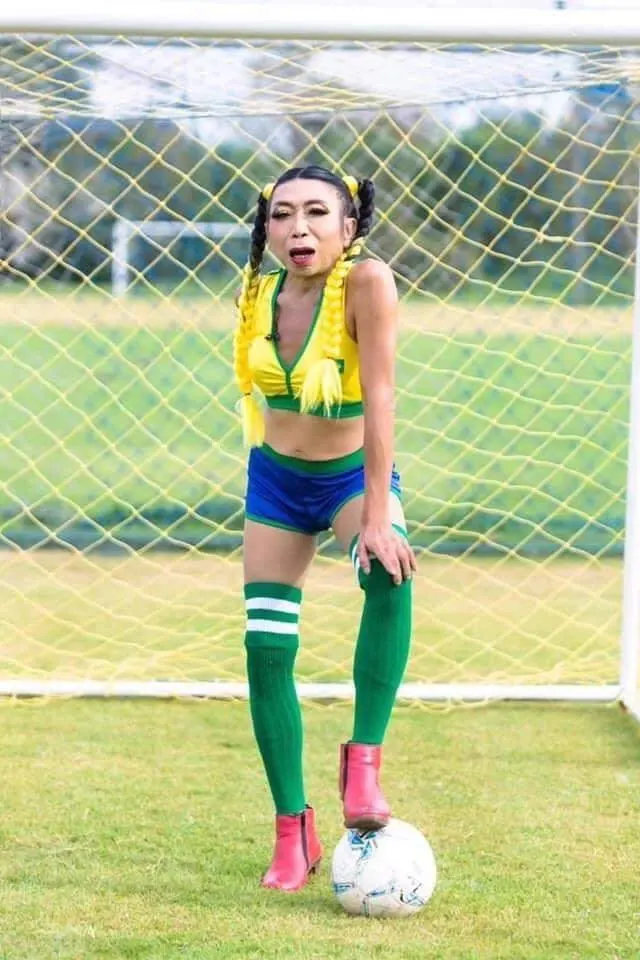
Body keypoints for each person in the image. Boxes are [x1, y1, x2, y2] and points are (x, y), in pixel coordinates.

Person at [233, 165, 416, 893]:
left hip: (349, 478)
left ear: (349, 226)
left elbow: (382, 395)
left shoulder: (368, 282)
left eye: (315, 212)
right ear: (267, 226)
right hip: (277, 482)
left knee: (389, 571)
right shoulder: (258, 290)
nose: (297, 228)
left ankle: (363, 764)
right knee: (265, 648)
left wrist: (376, 515)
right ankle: (293, 831)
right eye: (281, 215)